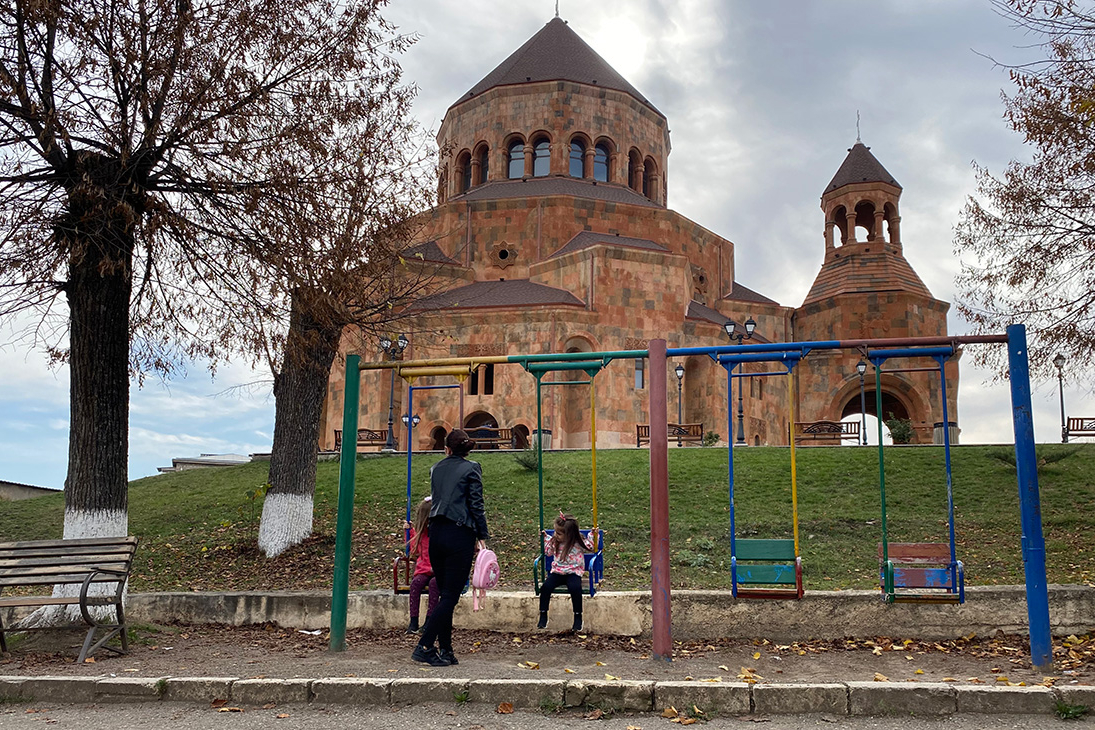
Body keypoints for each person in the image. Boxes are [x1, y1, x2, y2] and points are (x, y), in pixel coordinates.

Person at [411, 429, 490, 667]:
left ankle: (446, 649)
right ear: (467, 450)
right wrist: (482, 534)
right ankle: (424, 645)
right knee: (450, 596)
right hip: (459, 534)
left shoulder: (435, 468)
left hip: (436, 533)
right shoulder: (472, 468)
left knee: (446, 594)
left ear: (447, 448)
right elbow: (476, 503)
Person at [538, 512, 596, 633]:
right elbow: (548, 553)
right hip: (558, 572)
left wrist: (592, 534)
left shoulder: (578, 543)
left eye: (559, 533)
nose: (555, 535)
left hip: (573, 572)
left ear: (569, 535)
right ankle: (543, 614)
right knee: (545, 587)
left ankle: (578, 616)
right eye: (555, 532)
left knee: (575, 588)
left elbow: (591, 547)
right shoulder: (555, 542)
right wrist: (545, 539)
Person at [403, 497, 439, 633]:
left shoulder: (440, 534)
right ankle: (413, 622)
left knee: (434, 585)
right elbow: (414, 550)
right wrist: (409, 532)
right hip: (423, 569)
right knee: (416, 584)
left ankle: (429, 621)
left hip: (438, 571)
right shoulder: (420, 535)